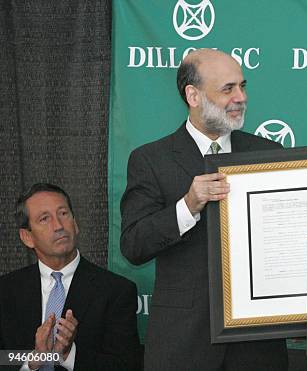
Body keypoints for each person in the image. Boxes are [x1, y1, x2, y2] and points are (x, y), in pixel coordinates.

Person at [120, 49, 287, 370]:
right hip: (183, 344)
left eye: (242, 86)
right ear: (193, 96)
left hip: (256, 345)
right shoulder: (151, 160)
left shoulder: (267, 153)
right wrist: (188, 205)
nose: (241, 97)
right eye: (228, 89)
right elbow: (133, 245)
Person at [0, 183, 141, 371]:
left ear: (75, 224)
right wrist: (33, 358)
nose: (58, 226)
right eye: (44, 219)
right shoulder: (6, 290)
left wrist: (68, 355)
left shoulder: (116, 291)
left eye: (63, 214)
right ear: (27, 237)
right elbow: (3, 357)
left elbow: (126, 365)